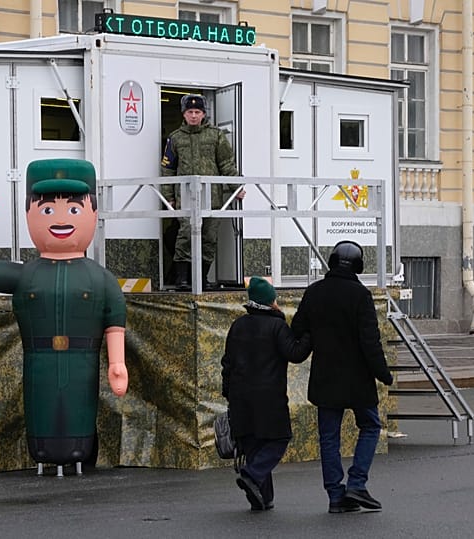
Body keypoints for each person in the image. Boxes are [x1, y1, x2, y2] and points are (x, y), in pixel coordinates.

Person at [0, 158, 128, 473]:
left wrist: (117, 362)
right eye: (47, 210)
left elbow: (114, 320)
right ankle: (44, 454)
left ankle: (80, 455)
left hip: (83, 363)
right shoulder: (27, 274)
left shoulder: (100, 278)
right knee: (42, 408)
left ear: (93, 213)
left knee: (79, 408)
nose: (60, 219)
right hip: (39, 362)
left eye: (73, 209)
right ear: (29, 214)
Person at [290, 240, 394, 513]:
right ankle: (357, 483)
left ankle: (336, 496)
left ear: (332, 261)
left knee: (329, 437)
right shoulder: (360, 295)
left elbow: (298, 329)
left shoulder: (314, 292)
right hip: (358, 378)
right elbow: (370, 342)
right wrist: (383, 374)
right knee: (370, 426)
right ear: (358, 266)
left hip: (325, 377)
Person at [221, 276, 312, 511]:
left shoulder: (238, 325)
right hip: (269, 396)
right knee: (279, 439)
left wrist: (228, 392)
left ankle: (262, 497)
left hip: (240, 395)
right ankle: (251, 475)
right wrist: (310, 335)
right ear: (270, 302)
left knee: (254, 445)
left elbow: (227, 363)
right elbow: (295, 353)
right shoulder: (276, 326)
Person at [160, 93, 245, 291]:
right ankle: (182, 279)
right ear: (184, 114)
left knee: (209, 238)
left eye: (197, 112)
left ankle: (202, 278)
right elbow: (167, 170)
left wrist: (236, 187)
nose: (194, 116)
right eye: (190, 112)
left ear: (204, 114)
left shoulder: (216, 135)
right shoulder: (175, 138)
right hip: (185, 197)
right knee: (185, 236)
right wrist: (169, 197)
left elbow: (226, 163)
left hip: (212, 197)